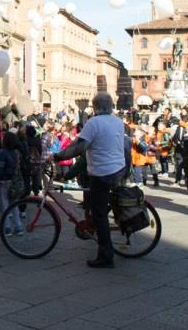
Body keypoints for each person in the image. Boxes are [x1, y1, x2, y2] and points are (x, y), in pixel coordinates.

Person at [50, 92, 129, 268]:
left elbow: (79, 147)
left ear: (95, 106)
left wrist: (58, 156)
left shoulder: (94, 122)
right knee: (99, 206)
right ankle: (97, 222)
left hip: (102, 172)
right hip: (118, 169)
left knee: (99, 214)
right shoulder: (117, 121)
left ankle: (106, 256)